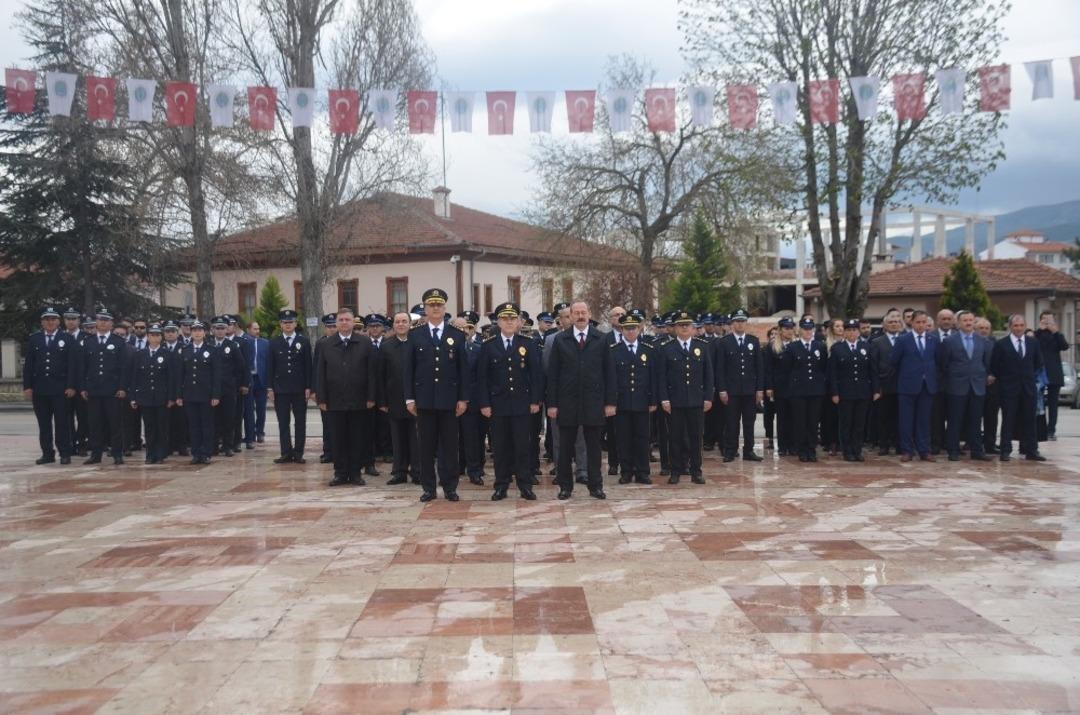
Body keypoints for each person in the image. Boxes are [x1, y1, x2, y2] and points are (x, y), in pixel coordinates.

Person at [403, 289, 469, 502]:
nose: (435, 308)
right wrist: (409, 398)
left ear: (444, 308)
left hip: (450, 401)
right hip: (424, 400)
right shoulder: (415, 335)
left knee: (450, 447)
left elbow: (463, 371)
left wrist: (463, 398)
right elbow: (408, 370)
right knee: (426, 447)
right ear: (425, 308)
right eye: (431, 305)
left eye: (439, 305)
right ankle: (429, 488)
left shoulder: (457, 335)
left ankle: (450, 487)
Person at [546, 300, 616, 499]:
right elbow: (553, 375)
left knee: (593, 447)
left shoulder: (600, 339)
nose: (580, 316)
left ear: (589, 313)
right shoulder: (561, 340)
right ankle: (565, 486)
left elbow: (609, 373)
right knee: (566, 447)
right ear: (571, 316)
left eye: (583, 312)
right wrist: (552, 404)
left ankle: (596, 486)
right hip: (567, 402)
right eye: (576, 313)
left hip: (593, 402)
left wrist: (610, 402)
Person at [476, 302, 543, 500]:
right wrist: (484, 404)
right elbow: (482, 378)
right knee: (500, 447)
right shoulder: (489, 345)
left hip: (522, 404)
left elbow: (536, 375)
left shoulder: (527, 343)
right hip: (498, 405)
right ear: (498, 321)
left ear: (519, 322)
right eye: (505, 318)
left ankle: (525, 485)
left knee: (523, 446)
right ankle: (501, 485)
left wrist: (535, 401)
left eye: (512, 318)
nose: (509, 322)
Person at [317, 308, 378, 486]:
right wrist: (321, 398)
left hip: (359, 400)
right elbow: (320, 372)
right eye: (341, 320)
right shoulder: (326, 344)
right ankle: (340, 473)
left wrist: (371, 396)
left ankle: (355, 473)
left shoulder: (365, 343)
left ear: (353, 322)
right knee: (338, 439)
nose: (344, 322)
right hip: (335, 400)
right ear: (336, 323)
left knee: (357, 438)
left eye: (347, 320)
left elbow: (371, 373)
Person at [657, 310, 713, 484]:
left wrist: (708, 398)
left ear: (692, 327)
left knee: (696, 437)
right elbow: (662, 377)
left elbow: (708, 375)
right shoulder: (667, 348)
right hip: (675, 401)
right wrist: (664, 399)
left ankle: (696, 471)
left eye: (687, 325)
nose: (684, 328)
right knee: (675, 437)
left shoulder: (702, 347)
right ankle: (676, 471)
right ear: (674, 328)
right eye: (681, 325)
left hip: (696, 400)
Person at [607, 310, 657, 485]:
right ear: (622, 330)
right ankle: (626, 471)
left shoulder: (648, 350)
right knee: (623, 439)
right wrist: (611, 402)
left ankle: (643, 472)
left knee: (643, 438)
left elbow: (653, 378)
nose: (630, 331)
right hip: (621, 403)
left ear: (639, 329)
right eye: (627, 328)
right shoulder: (614, 351)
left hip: (642, 403)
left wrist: (653, 401)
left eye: (633, 328)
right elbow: (610, 379)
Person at [936, 310, 994, 462]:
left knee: (975, 420)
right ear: (958, 323)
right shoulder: (949, 341)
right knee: (955, 420)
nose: (968, 323)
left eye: (971, 320)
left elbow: (986, 362)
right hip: (956, 386)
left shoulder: (982, 340)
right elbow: (944, 364)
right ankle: (953, 450)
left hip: (977, 386)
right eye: (965, 320)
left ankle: (976, 450)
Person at [24, 306, 78, 465]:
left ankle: (65, 453)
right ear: (42, 322)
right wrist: (28, 386)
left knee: (62, 423)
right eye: (47, 319)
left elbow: (72, 365)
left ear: (58, 321)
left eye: (53, 319)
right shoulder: (35, 339)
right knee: (44, 424)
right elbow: (29, 365)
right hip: (40, 389)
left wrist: (71, 386)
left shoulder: (67, 339)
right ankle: (47, 453)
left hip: (60, 389)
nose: (50, 322)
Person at [991, 315, 1046, 462]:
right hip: (1009, 389)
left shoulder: (1033, 343)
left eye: (1021, 325)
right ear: (1010, 327)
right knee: (1008, 420)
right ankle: (1005, 451)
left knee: (1030, 420)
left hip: (1028, 388)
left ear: (1025, 326)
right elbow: (995, 367)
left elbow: (1037, 363)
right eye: (1016, 326)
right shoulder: (1001, 344)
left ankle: (1031, 450)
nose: (1019, 328)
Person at [81, 309, 129, 465]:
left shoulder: (118, 342)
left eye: (106, 320)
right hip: (94, 390)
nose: (102, 323)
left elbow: (123, 367)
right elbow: (84, 368)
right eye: (100, 320)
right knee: (95, 424)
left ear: (111, 323)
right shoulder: (88, 342)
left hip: (112, 390)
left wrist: (122, 387)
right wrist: (83, 387)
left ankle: (117, 453)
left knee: (115, 423)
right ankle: (96, 454)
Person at [715, 308, 764, 463]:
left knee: (749, 422)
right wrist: (722, 389)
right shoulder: (724, 342)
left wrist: (759, 389)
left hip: (750, 390)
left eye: (743, 321)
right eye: (737, 321)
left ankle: (749, 450)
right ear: (732, 324)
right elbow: (720, 369)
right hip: (731, 390)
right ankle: (730, 451)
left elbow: (759, 367)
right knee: (731, 422)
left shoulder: (753, 341)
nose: (740, 324)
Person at [890, 310, 939, 462]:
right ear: (912, 323)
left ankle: (924, 450)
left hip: (927, 385)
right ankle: (907, 450)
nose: (921, 325)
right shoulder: (903, 340)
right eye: (918, 322)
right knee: (906, 420)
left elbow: (938, 361)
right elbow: (894, 361)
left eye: (924, 322)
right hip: (907, 386)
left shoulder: (933, 339)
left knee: (924, 420)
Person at [828, 319, 878, 462]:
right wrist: (835, 393)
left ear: (858, 331)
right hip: (845, 392)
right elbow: (833, 373)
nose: (852, 333)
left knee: (859, 423)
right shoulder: (837, 348)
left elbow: (872, 370)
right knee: (846, 423)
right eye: (849, 330)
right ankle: (847, 451)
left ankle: (857, 450)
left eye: (854, 330)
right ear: (844, 332)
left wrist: (875, 389)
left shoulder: (866, 347)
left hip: (863, 392)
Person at [378, 312, 419, 485]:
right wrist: (382, 400)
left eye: (404, 321)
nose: (401, 324)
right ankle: (399, 472)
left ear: (410, 324)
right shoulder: (386, 346)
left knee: (416, 439)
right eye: (397, 322)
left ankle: (418, 472)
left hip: (416, 401)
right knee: (397, 438)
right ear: (393, 325)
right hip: (394, 400)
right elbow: (380, 375)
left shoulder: (418, 344)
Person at [127, 323, 177, 464]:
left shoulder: (167, 354)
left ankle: (160, 454)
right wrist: (133, 397)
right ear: (148, 337)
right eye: (152, 335)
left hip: (162, 397)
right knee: (149, 427)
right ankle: (150, 454)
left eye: (157, 335)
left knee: (162, 427)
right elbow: (134, 377)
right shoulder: (140, 354)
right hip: (145, 397)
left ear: (161, 337)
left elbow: (171, 378)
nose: (155, 338)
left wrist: (171, 397)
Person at [267, 310, 311, 464]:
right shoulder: (274, 342)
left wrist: (308, 387)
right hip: (281, 389)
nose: (288, 325)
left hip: (299, 388)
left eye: (290, 322)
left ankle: (298, 453)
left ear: (295, 324)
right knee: (283, 422)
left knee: (300, 422)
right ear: (280, 325)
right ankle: (285, 452)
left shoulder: (303, 341)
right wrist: (270, 388)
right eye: (285, 322)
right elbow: (270, 366)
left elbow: (308, 366)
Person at [177, 320, 221, 464]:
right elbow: (180, 375)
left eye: (199, 330)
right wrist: (179, 395)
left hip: (206, 394)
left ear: (204, 333)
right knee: (194, 425)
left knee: (206, 425)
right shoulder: (185, 350)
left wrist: (215, 395)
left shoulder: (212, 350)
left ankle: (206, 452)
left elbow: (216, 375)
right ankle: (196, 453)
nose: (196, 333)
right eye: (194, 330)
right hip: (189, 394)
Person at [784, 318, 828, 462]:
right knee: (800, 421)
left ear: (813, 330)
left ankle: (811, 449)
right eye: (805, 328)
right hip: (798, 391)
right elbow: (788, 369)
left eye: (810, 328)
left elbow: (823, 367)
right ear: (800, 330)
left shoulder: (820, 346)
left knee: (813, 422)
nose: (808, 331)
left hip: (815, 390)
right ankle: (802, 450)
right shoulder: (792, 347)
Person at [210, 316, 249, 457]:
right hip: (212, 389)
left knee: (229, 418)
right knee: (213, 419)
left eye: (223, 328)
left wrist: (237, 382)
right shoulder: (208, 345)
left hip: (228, 388)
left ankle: (228, 446)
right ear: (213, 330)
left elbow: (241, 366)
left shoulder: (232, 346)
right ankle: (213, 446)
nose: (220, 331)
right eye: (217, 328)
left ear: (227, 329)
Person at [456, 311, 487, 486]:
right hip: (451, 401)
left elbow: (481, 377)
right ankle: (457, 467)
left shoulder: (478, 349)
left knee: (473, 438)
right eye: (459, 328)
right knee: (452, 439)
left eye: (467, 327)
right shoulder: (445, 349)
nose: (464, 331)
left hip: (472, 401)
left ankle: (474, 470)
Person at [869, 310, 902, 455]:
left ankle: (899, 444)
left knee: (900, 417)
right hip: (884, 386)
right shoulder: (877, 342)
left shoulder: (905, 339)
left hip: (903, 386)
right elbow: (874, 367)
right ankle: (884, 444)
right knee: (883, 418)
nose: (893, 324)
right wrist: (877, 388)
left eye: (896, 322)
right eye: (890, 322)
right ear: (884, 325)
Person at [1034, 311, 1069, 441]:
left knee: (1053, 404)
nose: (1047, 322)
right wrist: (1039, 330)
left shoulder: (1057, 335)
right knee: (1038, 403)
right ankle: (1039, 430)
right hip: (1040, 373)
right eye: (1044, 319)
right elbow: (1031, 344)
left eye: (1049, 319)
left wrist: (1056, 332)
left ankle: (1051, 430)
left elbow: (1064, 346)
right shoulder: (1037, 334)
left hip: (1054, 373)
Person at [764, 318, 795, 456]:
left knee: (794, 417)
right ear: (780, 330)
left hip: (795, 387)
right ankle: (782, 446)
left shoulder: (797, 345)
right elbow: (768, 369)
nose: (789, 331)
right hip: (780, 387)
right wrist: (769, 387)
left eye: (791, 328)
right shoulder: (772, 347)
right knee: (782, 418)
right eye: (786, 328)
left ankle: (793, 445)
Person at [61, 307, 89, 456]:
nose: (70, 322)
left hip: (82, 385)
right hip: (64, 386)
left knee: (83, 417)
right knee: (66, 418)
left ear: (79, 321)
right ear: (64, 321)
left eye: (73, 319)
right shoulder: (60, 337)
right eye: (68, 319)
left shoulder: (86, 338)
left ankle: (81, 443)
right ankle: (70, 443)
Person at [603, 306, 626, 476]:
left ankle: (629, 463)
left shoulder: (635, 336)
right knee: (612, 431)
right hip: (612, 392)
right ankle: (613, 462)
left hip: (631, 392)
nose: (619, 317)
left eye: (622, 315)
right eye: (616, 315)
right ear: (610, 319)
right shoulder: (605, 339)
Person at [161, 321, 189, 457]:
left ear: (178, 333)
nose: (170, 334)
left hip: (180, 390)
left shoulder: (184, 348)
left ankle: (182, 445)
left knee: (181, 420)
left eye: (173, 331)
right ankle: (168, 446)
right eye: (167, 331)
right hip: (164, 391)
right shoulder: (159, 348)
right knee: (166, 421)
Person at [313, 313, 338, 463]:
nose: (332, 329)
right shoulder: (321, 344)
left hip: (339, 389)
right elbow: (316, 367)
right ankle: (328, 451)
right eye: (329, 327)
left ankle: (339, 451)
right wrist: (315, 389)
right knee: (327, 423)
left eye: (334, 326)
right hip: (325, 389)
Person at [975, 317, 1000, 454]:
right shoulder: (971, 342)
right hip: (975, 384)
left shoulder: (996, 343)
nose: (983, 331)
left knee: (991, 417)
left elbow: (1000, 362)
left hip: (992, 386)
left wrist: (993, 375)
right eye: (981, 328)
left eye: (986, 328)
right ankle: (974, 443)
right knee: (975, 416)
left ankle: (990, 444)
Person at [820, 318, 845, 456]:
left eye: (842, 326)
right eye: (837, 326)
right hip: (829, 387)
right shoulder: (825, 346)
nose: (840, 329)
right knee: (830, 416)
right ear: (832, 329)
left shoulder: (847, 344)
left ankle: (843, 441)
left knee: (844, 416)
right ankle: (832, 442)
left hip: (845, 385)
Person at [243, 320, 269, 447]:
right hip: (249, 378)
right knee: (248, 409)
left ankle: (260, 432)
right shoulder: (244, 342)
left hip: (261, 379)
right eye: (255, 329)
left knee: (261, 408)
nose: (257, 331)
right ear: (248, 330)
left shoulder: (265, 343)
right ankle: (250, 434)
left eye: (258, 328)